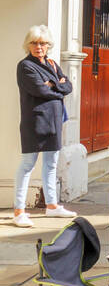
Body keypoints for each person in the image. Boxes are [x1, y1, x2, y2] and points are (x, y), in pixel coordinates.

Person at [14, 25, 76, 227]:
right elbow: (41, 90)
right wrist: (57, 86)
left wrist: (54, 84)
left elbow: (68, 86)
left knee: (51, 164)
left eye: (42, 43)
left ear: (48, 45)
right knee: (27, 166)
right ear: (28, 45)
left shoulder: (51, 62)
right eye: (34, 43)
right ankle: (19, 211)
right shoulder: (25, 66)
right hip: (35, 122)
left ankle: (52, 206)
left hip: (55, 121)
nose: (38, 46)